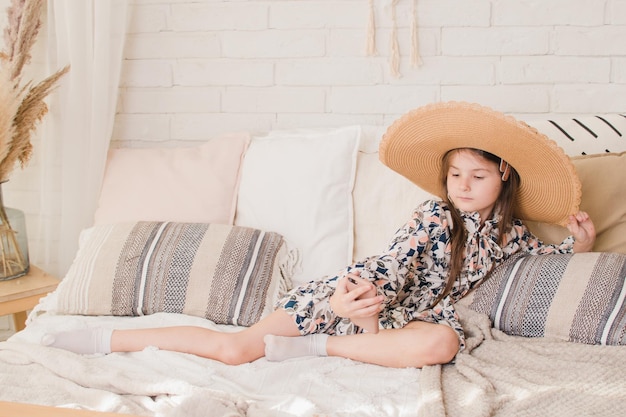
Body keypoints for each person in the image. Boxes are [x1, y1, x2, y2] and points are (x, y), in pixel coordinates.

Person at [42, 102, 596, 368]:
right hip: (354, 298)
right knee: (235, 350)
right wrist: (359, 309)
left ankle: (315, 350)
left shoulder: (511, 236)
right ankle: (105, 341)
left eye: (477, 176)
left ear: (503, 174)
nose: (463, 187)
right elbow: (391, 267)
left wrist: (583, 246)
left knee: (443, 342)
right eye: (455, 175)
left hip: (400, 326)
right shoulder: (434, 215)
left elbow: (547, 259)